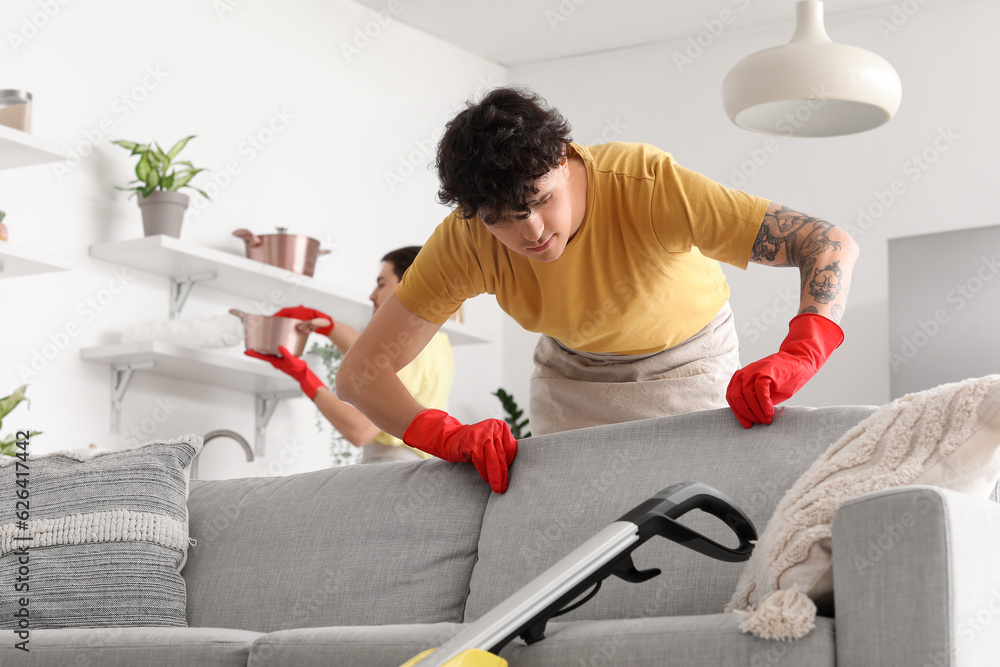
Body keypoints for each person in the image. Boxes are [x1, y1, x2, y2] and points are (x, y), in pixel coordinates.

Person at [336, 86, 859, 493]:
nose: (531, 232)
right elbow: (361, 374)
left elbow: (828, 243)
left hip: (689, 364)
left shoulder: (647, 185)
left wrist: (801, 354)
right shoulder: (465, 238)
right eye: (502, 220)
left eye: (539, 201)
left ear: (564, 159)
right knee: (572, 528)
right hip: (571, 376)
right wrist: (444, 435)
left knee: (696, 506)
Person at [247, 246, 454, 464]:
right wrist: (326, 325)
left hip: (395, 466)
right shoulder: (436, 342)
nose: (372, 294)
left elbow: (360, 431)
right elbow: (369, 360)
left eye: (381, 284)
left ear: (405, 286)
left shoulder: (412, 345)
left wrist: (304, 378)